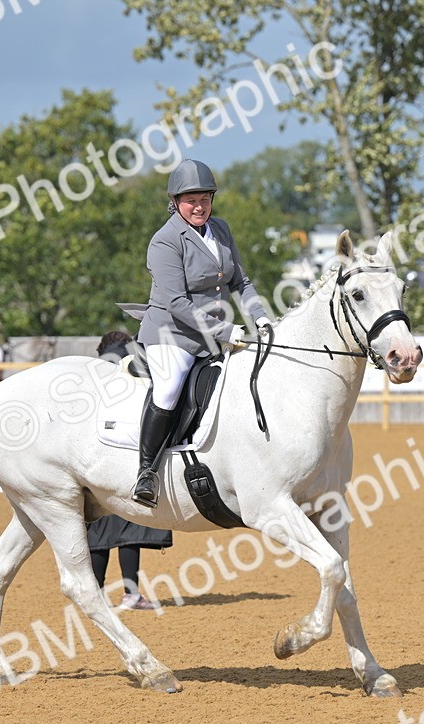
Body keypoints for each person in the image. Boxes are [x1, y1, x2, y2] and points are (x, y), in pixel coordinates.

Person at [132, 159, 272, 507]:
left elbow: (241, 281)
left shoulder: (220, 230)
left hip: (216, 334)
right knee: (168, 389)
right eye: (191, 200)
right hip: (171, 334)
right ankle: (146, 473)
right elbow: (177, 303)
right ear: (176, 202)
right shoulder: (165, 241)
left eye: (205, 199)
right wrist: (225, 329)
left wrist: (260, 317)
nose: (199, 206)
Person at [86, 331, 171, 610]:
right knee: (129, 527)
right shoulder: (134, 367)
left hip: (94, 460)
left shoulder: (95, 375)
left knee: (98, 532)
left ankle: (96, 594)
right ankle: (131, 594)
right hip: (126, 455)